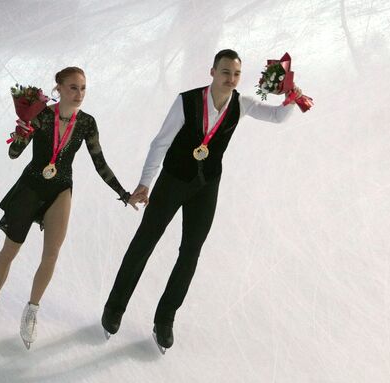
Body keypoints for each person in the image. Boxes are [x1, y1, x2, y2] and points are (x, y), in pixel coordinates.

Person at [102, 49, 302, 353]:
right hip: (172, 181)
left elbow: (275, 117)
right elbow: (161, 142)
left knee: (190, 252)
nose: (231, 79)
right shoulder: (187, 101)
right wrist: (146, 182)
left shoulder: (242, 103)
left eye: (236, 73)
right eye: (225, 72)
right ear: (212, 72)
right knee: (145, 241)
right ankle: (115, 308)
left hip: (206, 186)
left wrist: (290, 98)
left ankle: (165, 319)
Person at [0, 66, 137, 350]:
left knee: (51, 255)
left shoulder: (87, 123)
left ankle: (32, 311)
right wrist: (22, 131)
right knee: (10, 250)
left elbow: (100, 163)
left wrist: (124, 193)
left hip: (61, 188)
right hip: (31, 186)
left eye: (83, 88)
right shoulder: (41, 115)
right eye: (73, 87)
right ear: (58, 89)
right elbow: (13, 154)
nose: (79, 94)